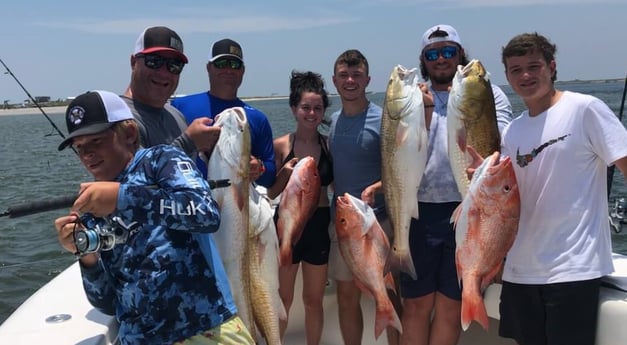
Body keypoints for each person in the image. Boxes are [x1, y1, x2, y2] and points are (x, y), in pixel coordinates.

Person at [53, 90, 255, 345]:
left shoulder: (160, 161)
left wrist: (122, 198)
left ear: (129, 134)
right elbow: (106, 303)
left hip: (204, 328)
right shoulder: (93, 208)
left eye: (96, 141)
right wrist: (86, 254)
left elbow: (206, 213)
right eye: (79, 147)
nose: (87, 154)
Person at [495, 32, 627, 345]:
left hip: (572, 268)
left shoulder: (585, 109)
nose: (525, 75)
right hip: (519, 270)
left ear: (552, 67)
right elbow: (505, 194)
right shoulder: (512, 131)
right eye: (516, 70)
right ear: (507, 77)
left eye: (533, 66)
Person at [399, 24, 512, 345]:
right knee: (416, 306)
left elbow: (499, 143)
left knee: (450, 307)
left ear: (461, 54)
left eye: (449, 51)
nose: (441, 59)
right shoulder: (411, 97)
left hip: (471, 212)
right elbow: (398, 150)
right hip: (420, 213)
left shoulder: (488, 92)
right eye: (432, 54)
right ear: (423, 60)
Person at [327, 49, 400, 345]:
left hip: (378, 222)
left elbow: (398, 169)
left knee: (391, 295)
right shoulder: (332, 121)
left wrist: (377, 187)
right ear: (335, 81)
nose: (350, 81)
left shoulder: (383, 119)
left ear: (368, 79)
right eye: (344, 75)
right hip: (343, 225)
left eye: (356, 75)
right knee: (346, 296)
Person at [265, 71, 333, 344]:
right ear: (294, 109)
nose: (311, 113)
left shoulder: (329, 146)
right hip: (287, 227)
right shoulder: (281, 146)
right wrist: (284, 173)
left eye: (317, 108)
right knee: (283, 298)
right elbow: (269, 192)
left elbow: (338, 187)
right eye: (306, 107)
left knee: (313, 300)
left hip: (318, 225)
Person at [171, 38, 275, 188]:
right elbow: (162, 153)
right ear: (208, 68)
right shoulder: (180, 106)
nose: (228, 70)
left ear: (243, 70)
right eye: (221, 64)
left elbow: (270, 177)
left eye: (235, 65)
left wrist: (259, 168)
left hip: (232, 204)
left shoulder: (257, 118)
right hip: (187, 203)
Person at [121, 26, 219, 158]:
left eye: (174, 65)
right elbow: (134, 175)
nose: (163, 72)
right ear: (134, 62)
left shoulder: (176, 116)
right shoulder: (118, 119)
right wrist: (188, 142)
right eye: (154, 61)